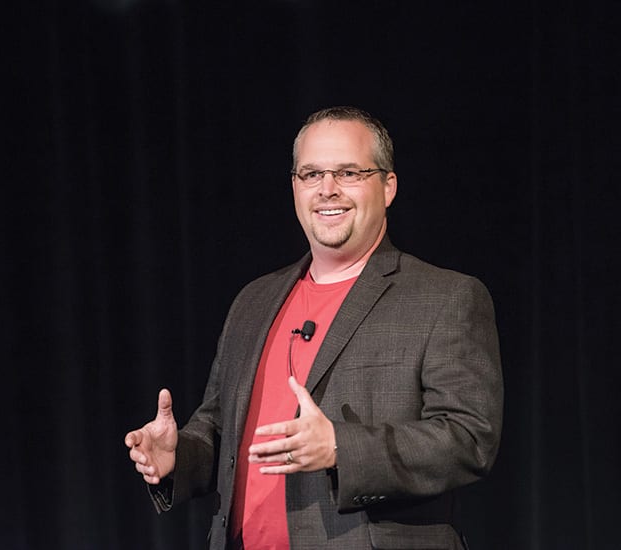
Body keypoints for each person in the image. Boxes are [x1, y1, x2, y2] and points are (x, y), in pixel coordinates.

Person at [125, 106, 503, 549]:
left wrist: (341, 448)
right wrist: (177, 457)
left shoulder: (444, 297)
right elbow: (220, 428)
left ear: (388, 187)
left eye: (348, 173)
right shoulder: (254, 300)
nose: (327, 189)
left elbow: (468, 438)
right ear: (294, 187)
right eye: (311, 174)